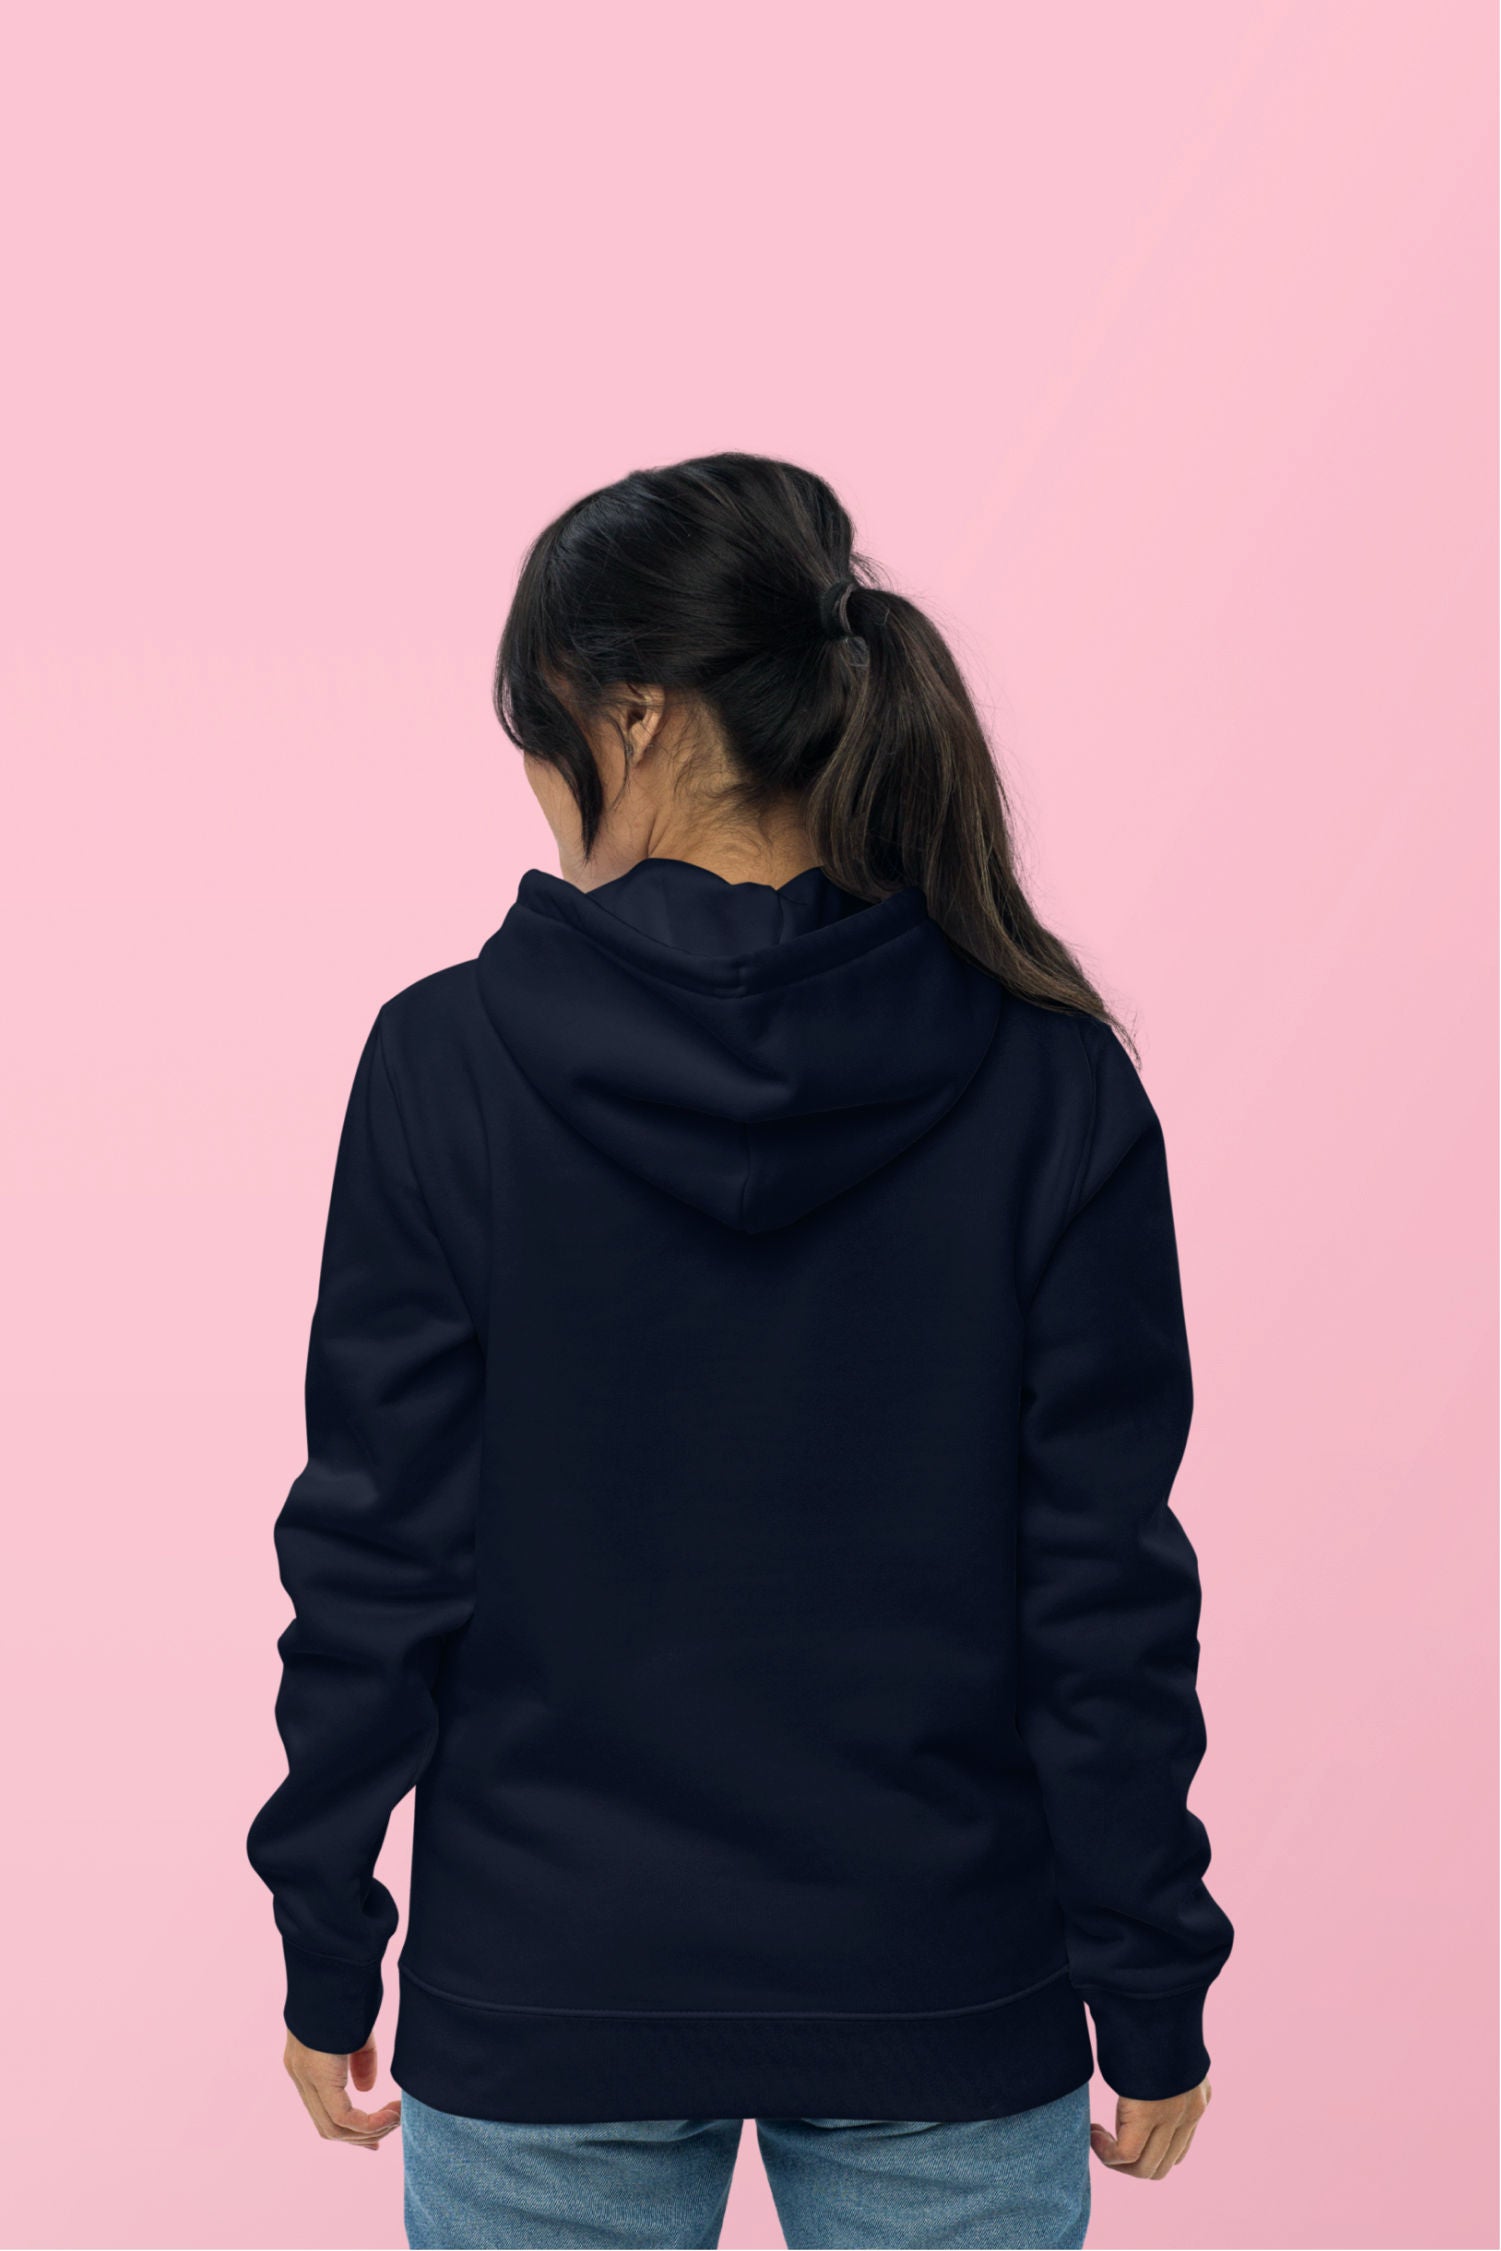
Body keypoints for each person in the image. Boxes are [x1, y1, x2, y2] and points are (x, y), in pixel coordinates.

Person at [247, 452, 1234, 2251]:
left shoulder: (444, 1067)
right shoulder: (1047, 1078)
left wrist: (328, 1939)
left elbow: (378, 1555)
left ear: (627, 714)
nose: (533, 777)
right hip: (942, 1977)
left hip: (547, 1980)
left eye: (534, 726)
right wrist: (1149, 1976)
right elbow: (1100, 1590)